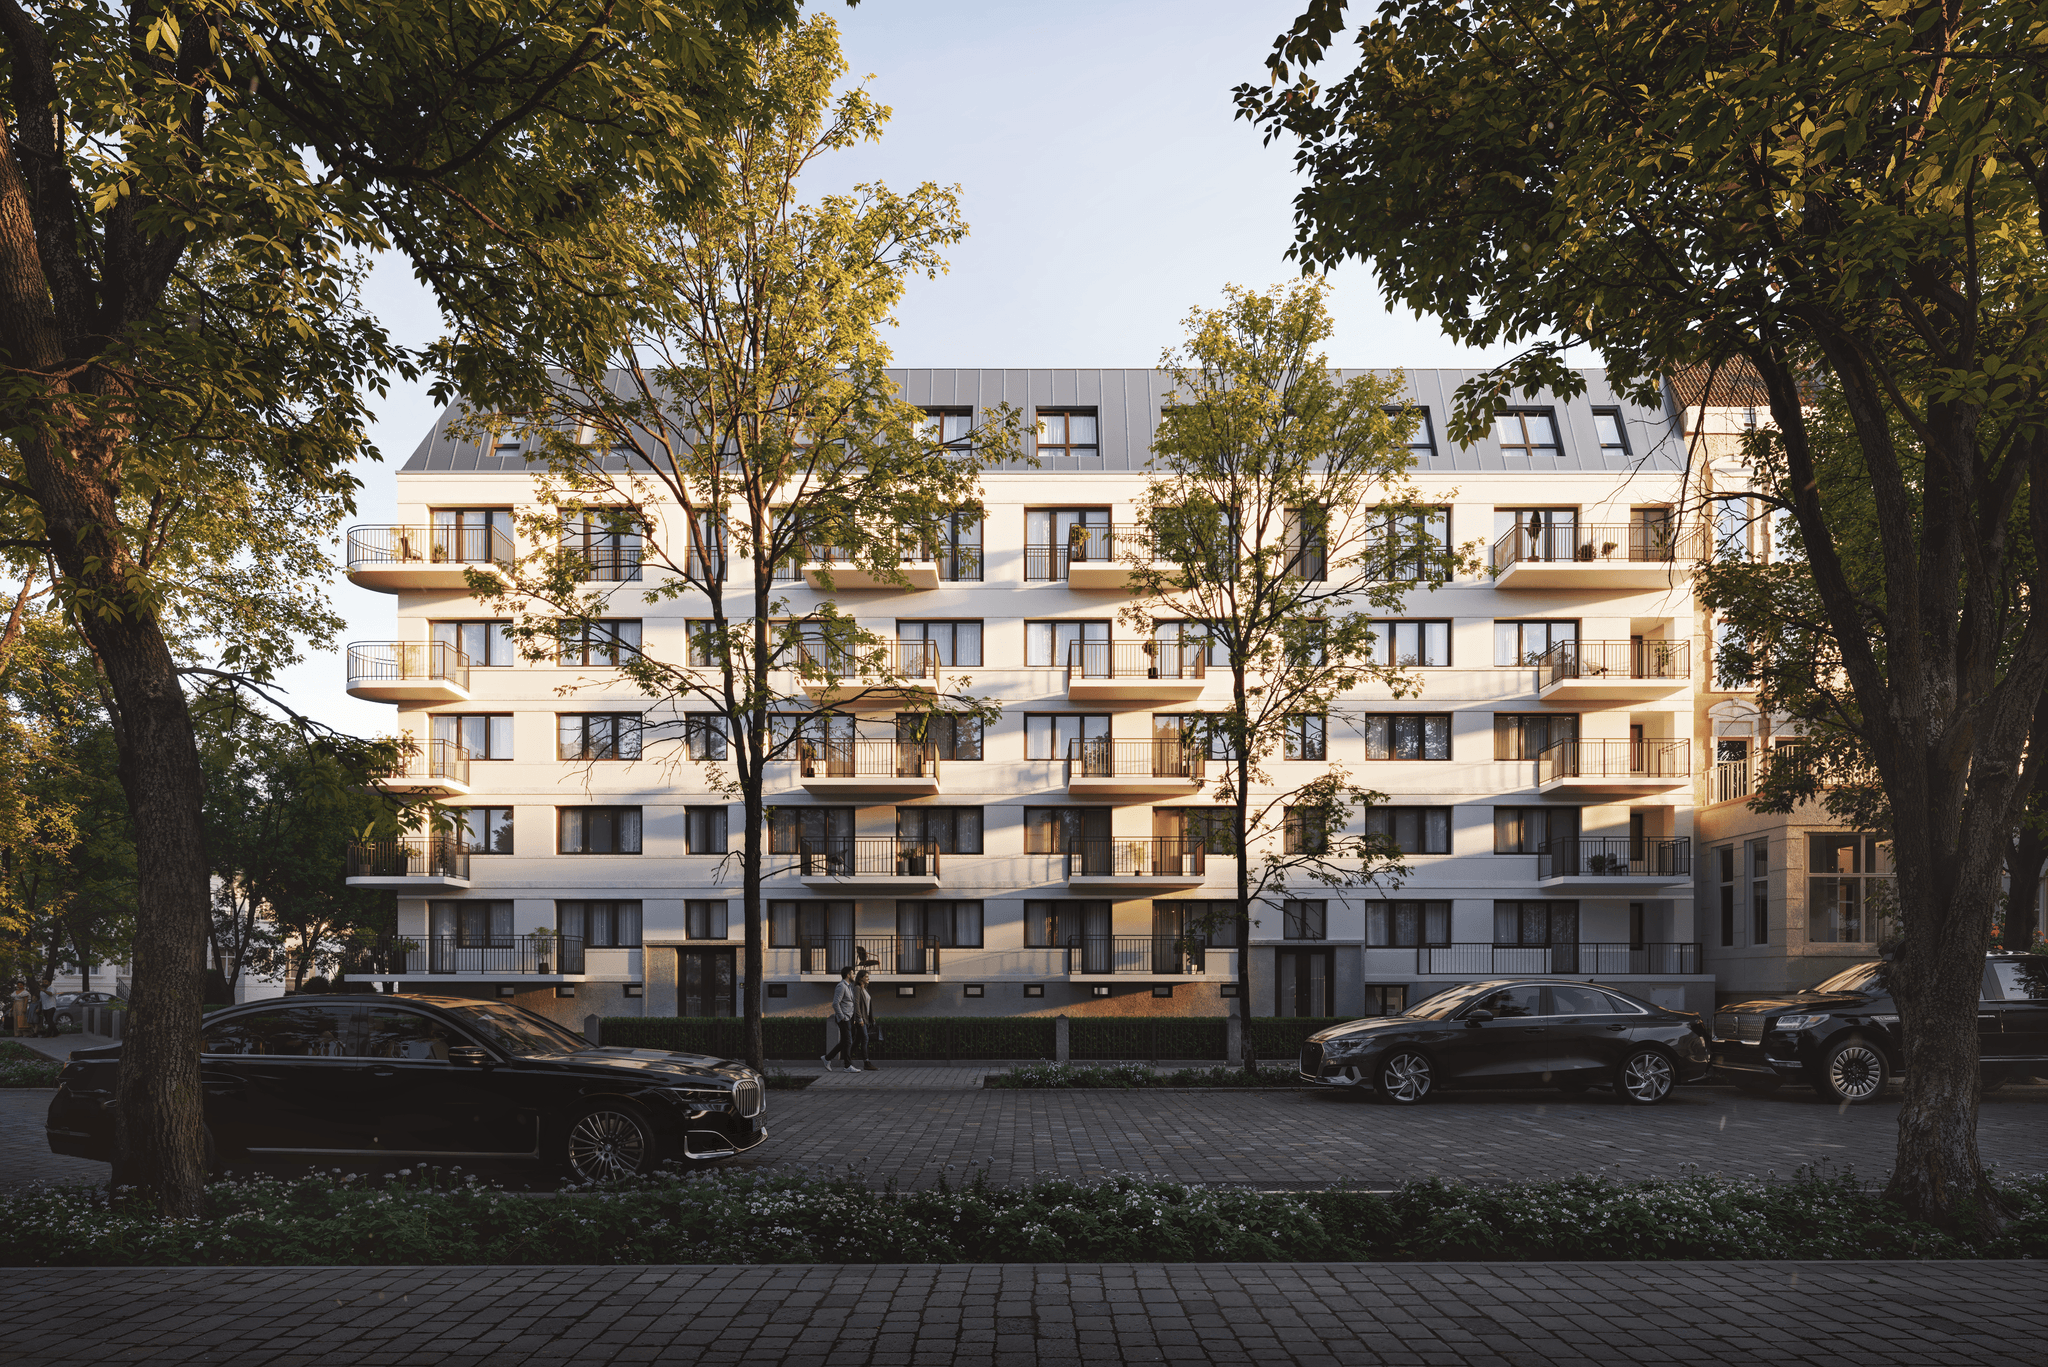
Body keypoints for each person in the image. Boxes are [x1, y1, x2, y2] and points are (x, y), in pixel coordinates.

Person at [821, 965, 857, 1070]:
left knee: (845, 1041)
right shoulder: (841, 986)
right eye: (853, 973)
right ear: (848, 975)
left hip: (849, 1018)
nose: (854, 975)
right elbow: (835, 1003)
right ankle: (847, 1066)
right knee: (848, 1041)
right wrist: (842, 1017)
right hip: (844, 1018)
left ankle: (827, 1058)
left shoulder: (849, 986)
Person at [851, 969, 877, 1073]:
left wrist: (871, 1018)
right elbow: (856, 1004)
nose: (868, 978)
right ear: (861, 978)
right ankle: (866, 1063)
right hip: (860, 1020)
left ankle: (847, 1057)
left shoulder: (864, 989)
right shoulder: (857, 988)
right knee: (865, 1038)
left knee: (858, 1040)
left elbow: (867, 1005)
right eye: (866, 977)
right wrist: (859, 1018)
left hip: (865, 1019)